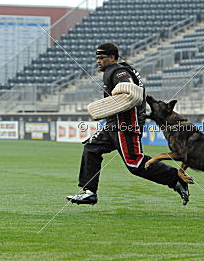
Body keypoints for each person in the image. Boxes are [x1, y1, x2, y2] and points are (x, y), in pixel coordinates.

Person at [66, 42, 189, 205]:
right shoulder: (116, 69)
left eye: (101, 57)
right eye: (97, 58)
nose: (98, 61)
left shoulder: (119, 71)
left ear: (112, 58)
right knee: (91, 148)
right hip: (113, 124)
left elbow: (130, 88)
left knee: (135, 162)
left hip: (126, 124)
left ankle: (176, 179)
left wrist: (121, 90)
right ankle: (89, 192)